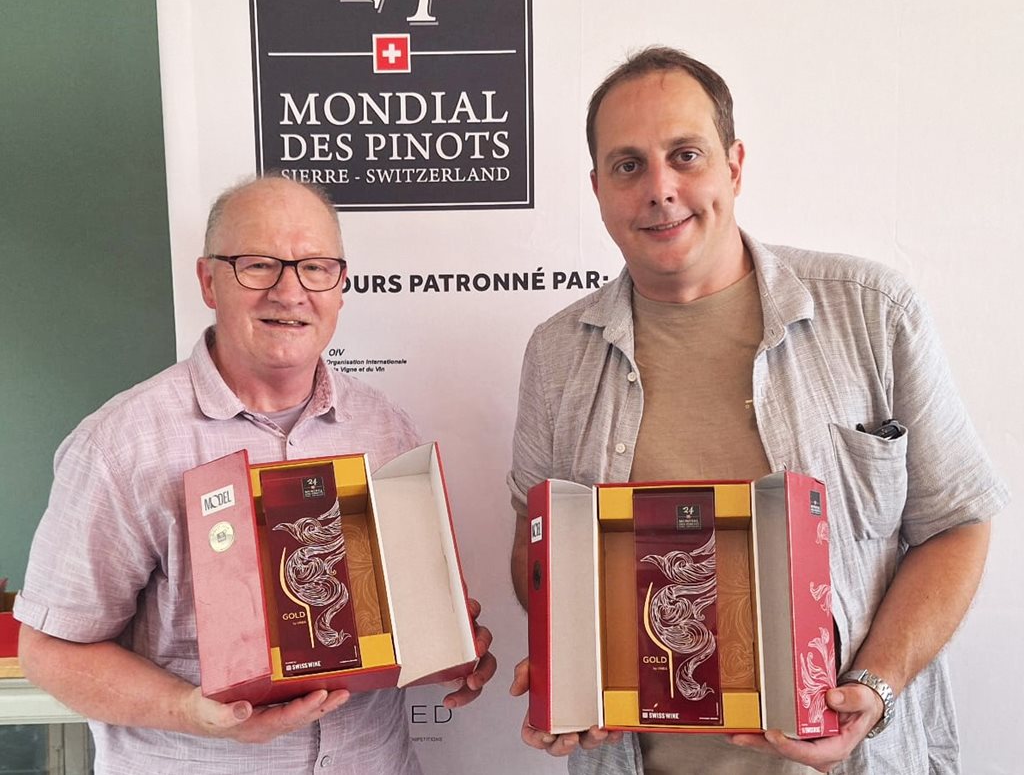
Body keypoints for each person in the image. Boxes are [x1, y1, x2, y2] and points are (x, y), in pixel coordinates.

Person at [507, 47, 1007, 774]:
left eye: (685, 155)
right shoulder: (557, 354)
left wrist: (875, 684)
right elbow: (535, 544)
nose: (660, 189)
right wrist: (563, 665)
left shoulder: (873, 313)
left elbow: (956, 524)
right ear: (597, 188)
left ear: (734, 165)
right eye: (628, 166)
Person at [16, 175, 495, 774]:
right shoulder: (121, 444)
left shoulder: (384, 429)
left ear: (340, 285)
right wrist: (191, 710)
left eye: (315, 268)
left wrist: (446, 644)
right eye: (259, 265)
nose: (290, 292)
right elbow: (49, 650)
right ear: (207, 281)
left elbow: (395, 615)